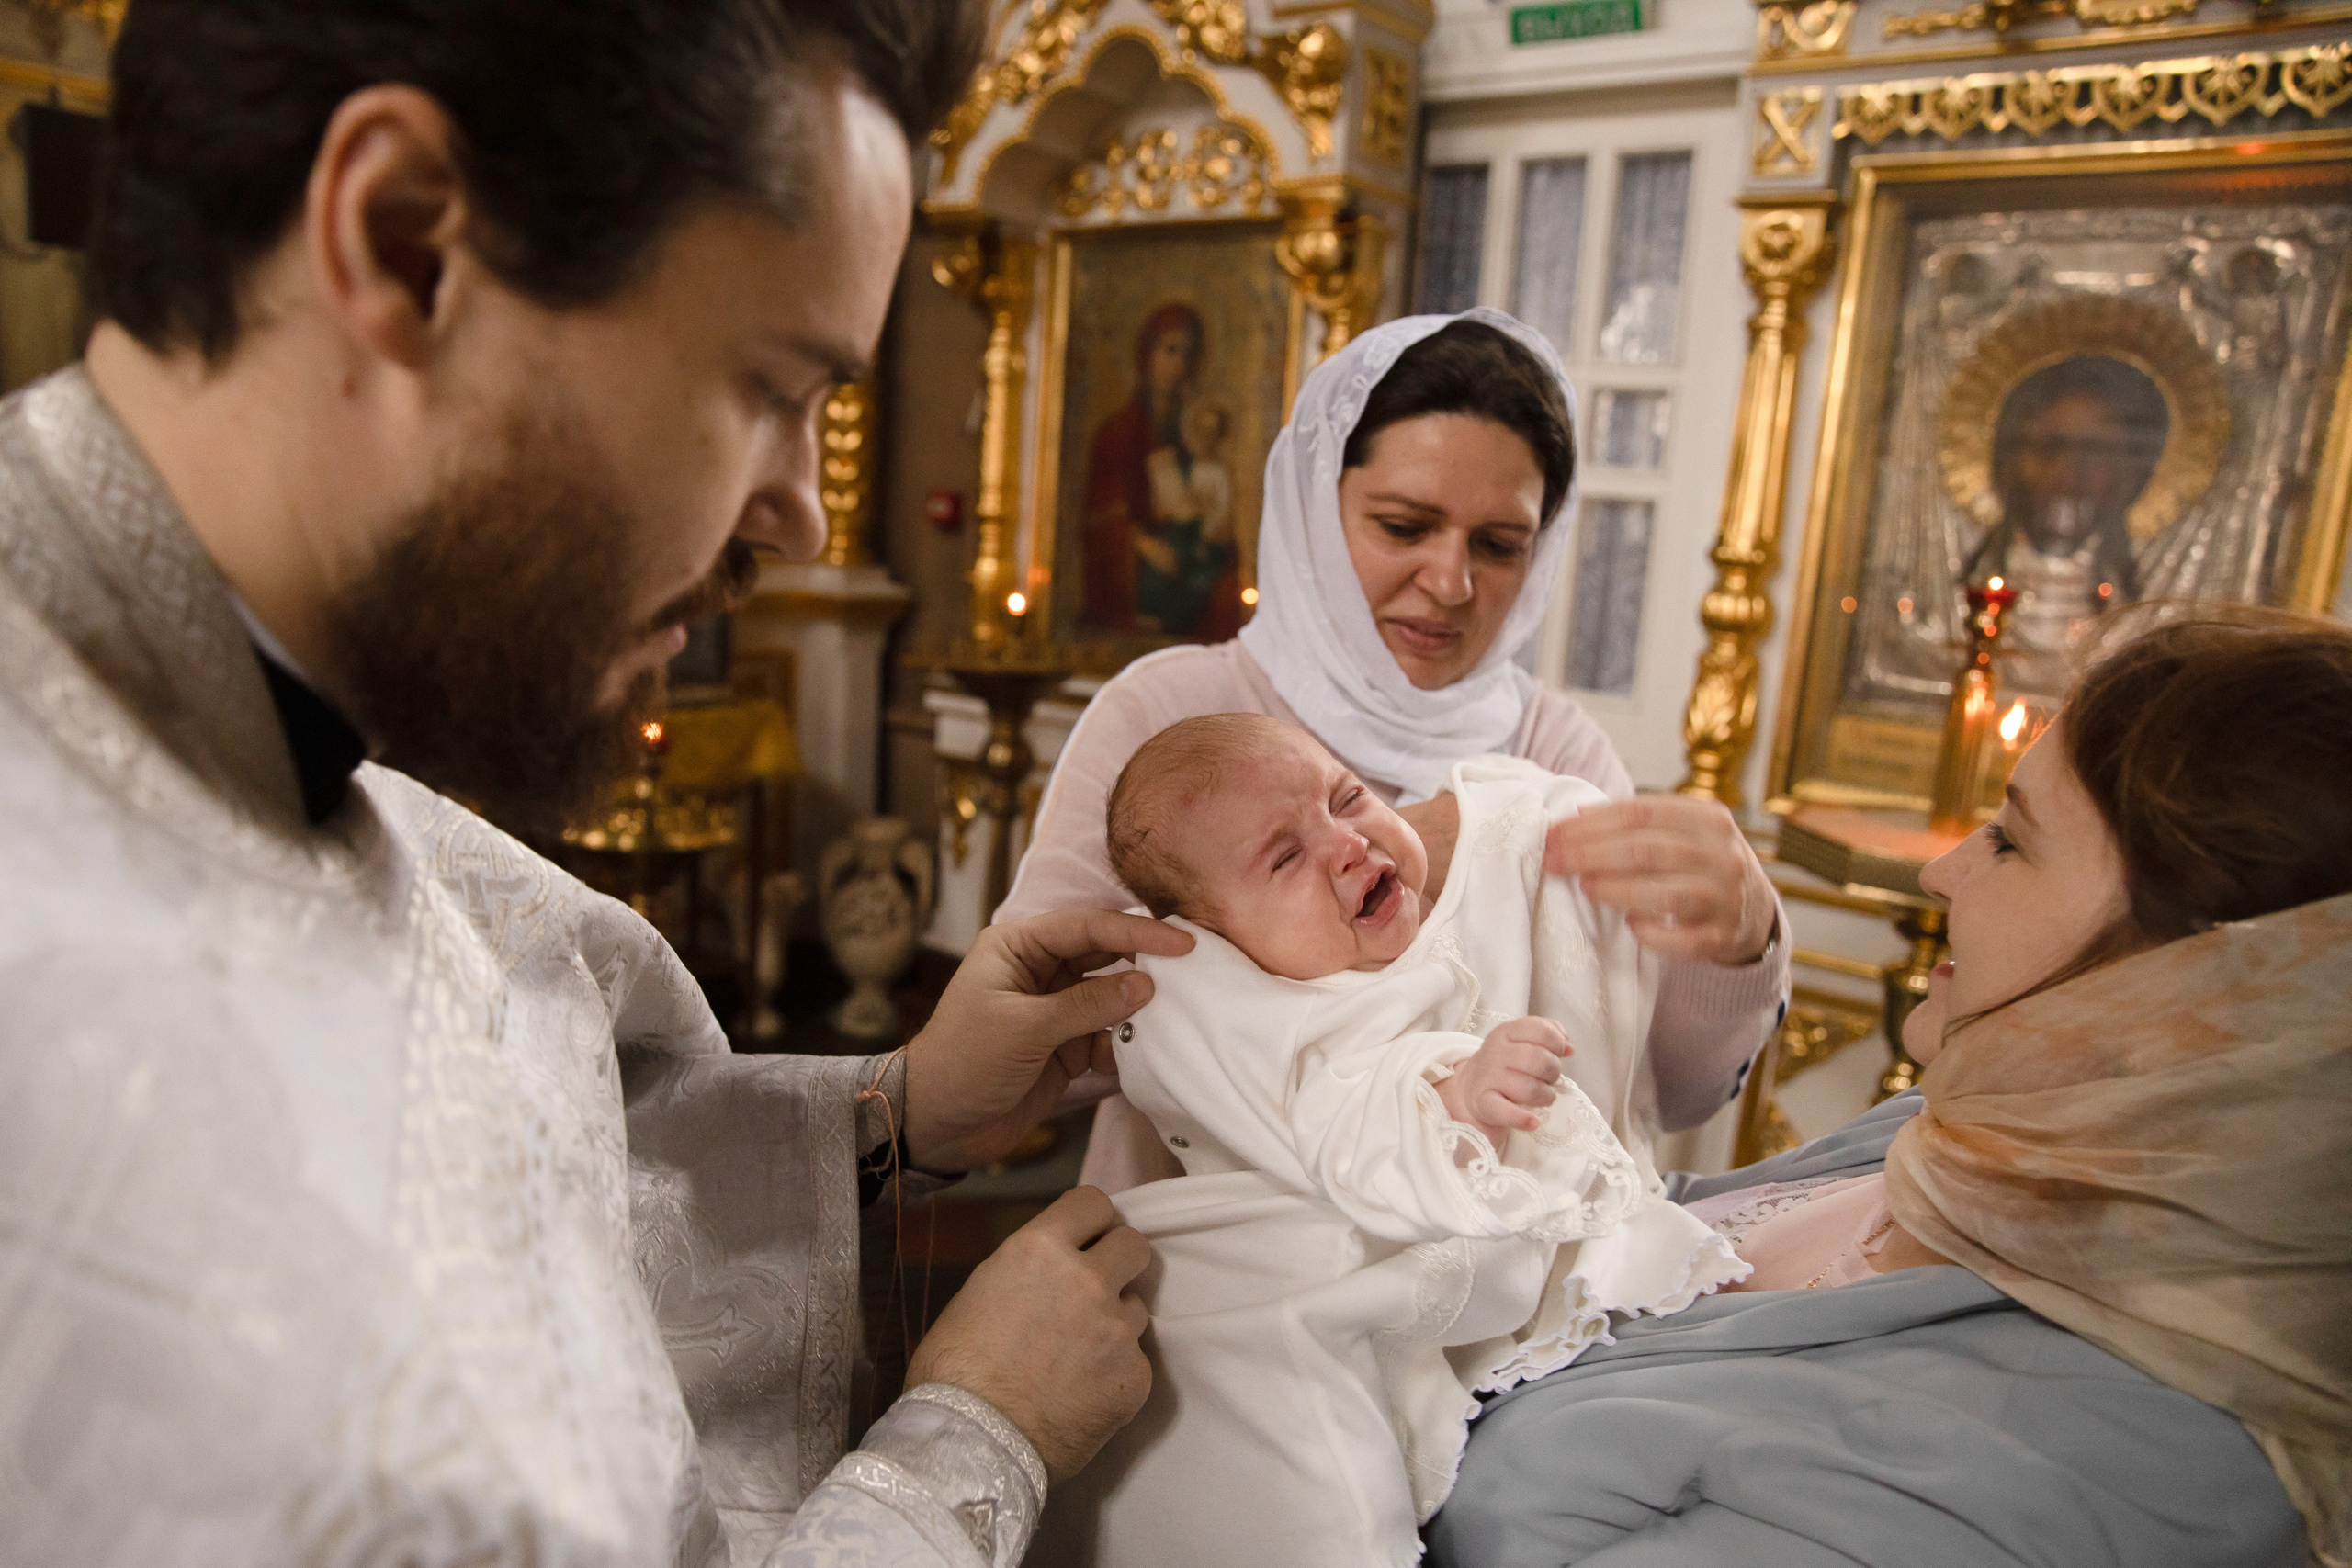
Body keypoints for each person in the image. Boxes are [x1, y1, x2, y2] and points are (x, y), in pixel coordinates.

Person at [0, 5, 1192, 1565]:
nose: (801, 518)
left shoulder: (228, 712)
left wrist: (897, 1116)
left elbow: (531, 1142)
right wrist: (970, 1437)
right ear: (409, 242)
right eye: (772, 387)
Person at [1427, 606, 2352, 1568]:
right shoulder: (1965, 1134)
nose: (1942, 871)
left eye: (2009, 842)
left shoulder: (2059, 1483)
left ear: (2201, 996)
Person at [1003, 308, 1791, 1192]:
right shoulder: (1172, 710)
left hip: (1505, 1276)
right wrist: (1415, 852)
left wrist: (1736, 949)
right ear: (1315, 503)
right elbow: (1028, 1046)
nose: (1451, 582)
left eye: (1499, 546)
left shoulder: (1558, 750)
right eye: (1405, 526)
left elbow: (1662, 1090)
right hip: (1216, 1271)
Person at [1031, 714, 1739, 1568]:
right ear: (1217, 935)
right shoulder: (1256, 1006)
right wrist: (1458, 1093)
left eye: (1348, 796)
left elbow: (1656, 1032)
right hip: (1321, 1256)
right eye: (1285, 857)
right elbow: (1334, 1119)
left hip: (1493, 1257)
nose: (1347, 842)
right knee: (1269, 1429)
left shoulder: (1469, 889)